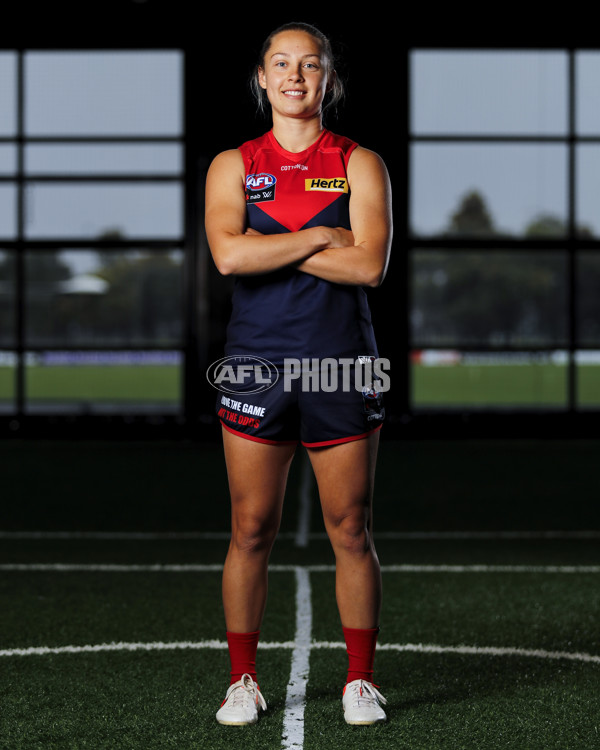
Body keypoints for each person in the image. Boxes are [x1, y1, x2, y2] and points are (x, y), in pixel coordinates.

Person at [205, 21, 392, 727]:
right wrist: (319, 235)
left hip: (341, 362)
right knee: (251, 526)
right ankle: (243, 680)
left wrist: (268, 244)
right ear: (261, 77)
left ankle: (360, 680)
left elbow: (368, 265)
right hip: (255, 365)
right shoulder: (234, 164)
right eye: (280, 63)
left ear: (328, 80)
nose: (294, 75)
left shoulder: (359, 163)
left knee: (351, 526)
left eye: (309, 65)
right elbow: (226, 258)